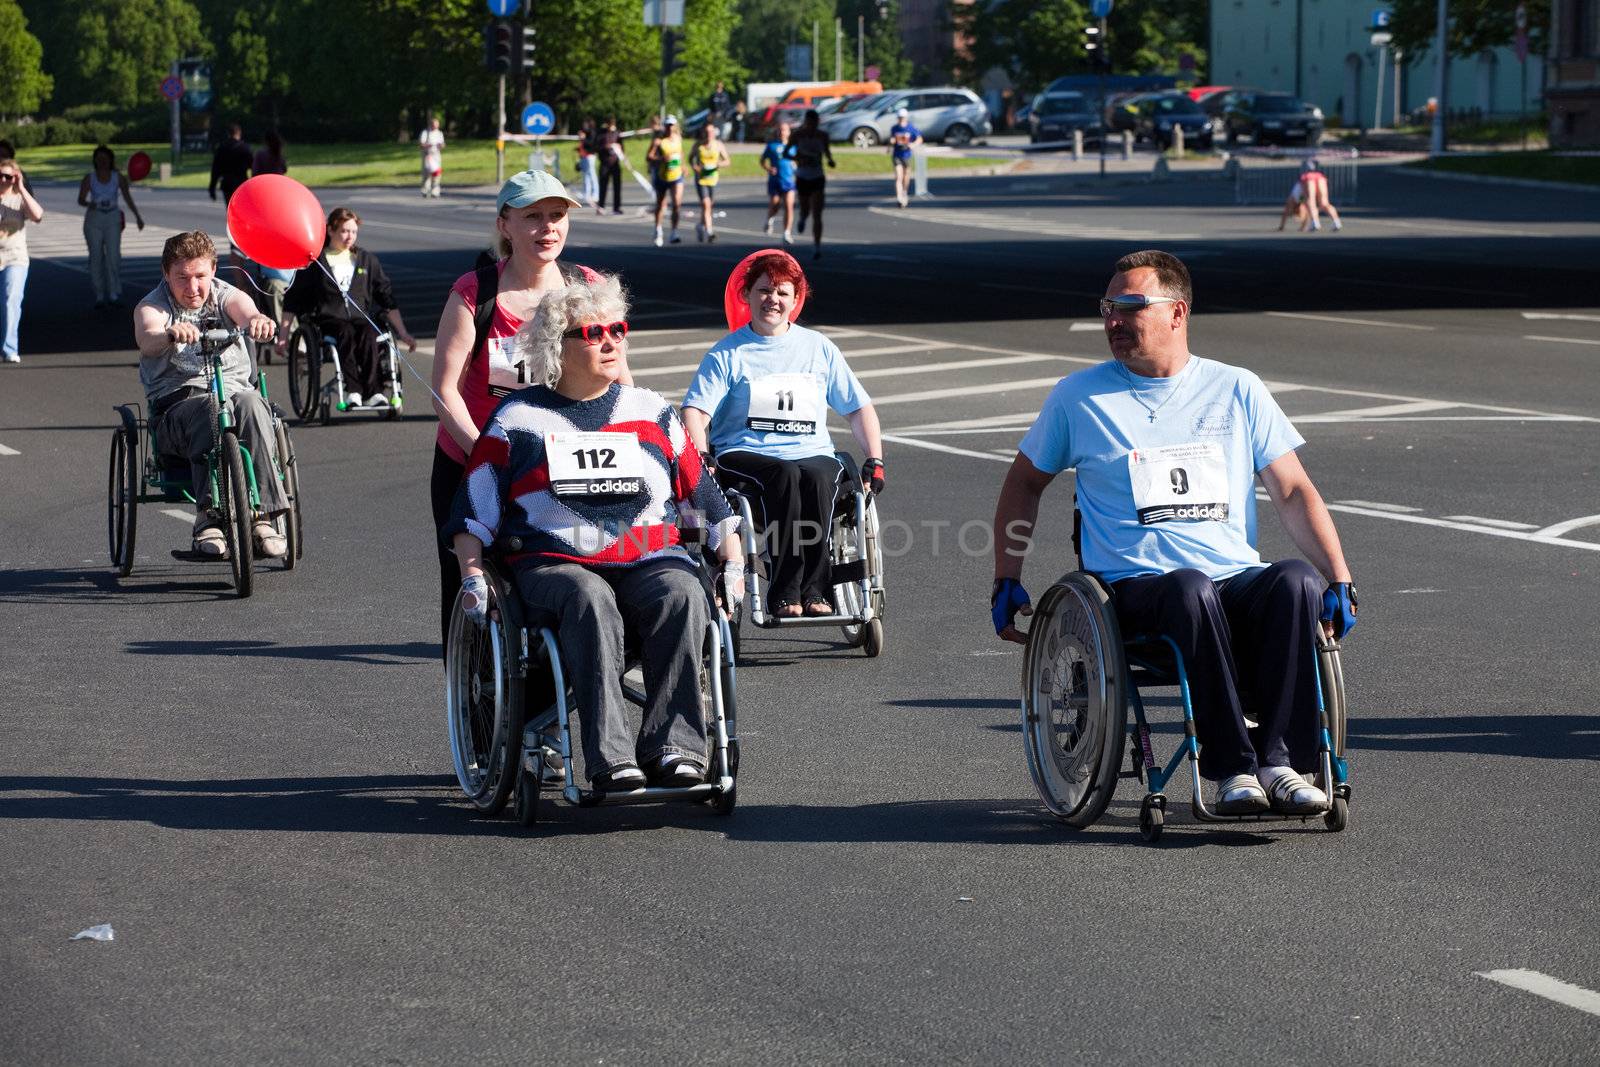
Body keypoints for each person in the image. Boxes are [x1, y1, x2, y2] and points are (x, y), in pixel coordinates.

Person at [990, 249, 1358, 816]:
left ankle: (1279, 763)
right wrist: (1006, 577)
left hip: (1231, 579)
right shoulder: (1078, 397)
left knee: (1295, 582)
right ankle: (1233, 769)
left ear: (1177, 312)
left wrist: (1339, 576)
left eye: (1130, 306)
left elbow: (1291, 491)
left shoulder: (1236, 389)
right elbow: (1023, 485)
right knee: (1189, 588)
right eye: (1108, 307)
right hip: (1135, 590)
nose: (1113, 320)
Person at [446, 272, 742, 791]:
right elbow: (473, 511)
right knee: (589, 596)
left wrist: (734, 562)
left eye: (617, 330)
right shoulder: (518, 417)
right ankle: (610, 758)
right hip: (553, 566)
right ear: (555, 345)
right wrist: (473, 576)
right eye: (592, 333)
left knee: (683, 593)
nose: (610, 341)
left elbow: (709, 503)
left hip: (649, 560)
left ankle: (675, 748)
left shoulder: (652, 410)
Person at [429, 170, 631, 644]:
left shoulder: (587, 285)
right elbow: (444, 391)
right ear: (505, 225)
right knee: (472, 587)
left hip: (563, 463)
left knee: (576, 570)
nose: (548, 228)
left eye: (557, 216)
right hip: (473, 461)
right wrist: (486, 457)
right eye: (533, 217)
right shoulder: (475, 292)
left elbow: (618, 375)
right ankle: (477, 690)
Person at [682, 250, 885, 618]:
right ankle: (785, 590)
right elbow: (695, 410)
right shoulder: (727, 353)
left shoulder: (818, 348)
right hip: (745, 454)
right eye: (763, 291)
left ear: (795, 299)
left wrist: (875, 459)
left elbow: (858, 407)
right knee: (786, 475)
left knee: (820, 475)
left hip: (811, 451)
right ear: (746, 295)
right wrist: (702, 455)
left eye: (782, 293)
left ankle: (816, 590)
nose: (772, 300)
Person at [131, 231, 288, 558]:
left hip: (235, 399)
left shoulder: (225, 295)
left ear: (213, 270)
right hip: (179, 411)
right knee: (208, 408)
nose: (192, 288)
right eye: (182, 278)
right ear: (166, 275)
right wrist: (169, 334)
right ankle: (207, 519)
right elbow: (147, 337)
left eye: (200, 276)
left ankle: (263, 517)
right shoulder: (154, 305)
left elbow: (245, 310)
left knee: (254, 404)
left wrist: (257, 319)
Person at [281, 207, 416, 408]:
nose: (349, 236)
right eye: (344, 231)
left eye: (353, 232)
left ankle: (375, 391)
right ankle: (354, 390)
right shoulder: (316, 263)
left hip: (359, 317)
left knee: (369, 333)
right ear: (331, 230)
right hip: (328, 318)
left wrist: (403, 333)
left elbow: (387, 298)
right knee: (345, 333)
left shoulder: (366, 260)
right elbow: (293, 299)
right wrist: (283, 337)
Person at [77, 145, 146, 311]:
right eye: (99, 159)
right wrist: (90, 203)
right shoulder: (90, 178)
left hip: (112, 217)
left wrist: (137, 217)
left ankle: (114, 294)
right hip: (94, 218)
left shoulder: (118, 177)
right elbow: (80, 199)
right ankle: (100, 295)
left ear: (110, 160)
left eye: (105, 158)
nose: (102, 162)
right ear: (95, 160)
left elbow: (128, 198)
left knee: (113, 256)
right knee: (96, 256)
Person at [0, 156, 44, 365]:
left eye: (8, 176)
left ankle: (9, 348)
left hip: (15, 257)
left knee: (11, 300)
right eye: (0, 175)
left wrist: (21, 187)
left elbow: (37, 215)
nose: (3, 179)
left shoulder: (19, 199)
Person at [791, 110, 836, 261]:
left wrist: (830, 161)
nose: (812, 125)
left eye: (815, 122)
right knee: (805, 209)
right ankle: (802, 218)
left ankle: (817, 246)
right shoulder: (797, 135)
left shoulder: (823, 136)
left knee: (817, 212)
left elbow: (827, 153)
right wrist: (798, 158)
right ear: (806, 121)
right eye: (810, 122)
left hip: (817, 176)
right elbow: (785, 153)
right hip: (803, 176)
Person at [647, 115, 686, 247]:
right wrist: (662, 159)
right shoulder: (658, 141)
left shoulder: (678, 138)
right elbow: (649, 157)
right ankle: (658, 230)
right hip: (662, 176)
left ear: (675, 126)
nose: (670, 128)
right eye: (668, 125)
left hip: (676, 175)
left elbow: (680, 154)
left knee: (677, 204)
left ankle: (674, 232)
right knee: (661, 205)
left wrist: (683, 166)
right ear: (665, 126)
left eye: (672, 125)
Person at [690, 123, 730, 244]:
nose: (709, 134)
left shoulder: (718, 145)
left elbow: (727, 161)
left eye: (711, 132)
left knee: (708, 207)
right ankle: (709, 232)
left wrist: (719, 164)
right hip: (701, 179)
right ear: (703, 133)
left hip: (713, 179)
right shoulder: (698, 145)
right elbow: (690, 158)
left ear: (714, 133)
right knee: (706, 204)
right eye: (707, 132)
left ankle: (700, 226)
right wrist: (695, 167)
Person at [760, 122, 797, 245]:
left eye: (784, 130)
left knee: (789, 206)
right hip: (775, 181)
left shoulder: (793, 147)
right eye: (780, 130)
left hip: (788, 181)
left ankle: (787, 232)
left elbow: (798, 161)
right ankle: (769, 219)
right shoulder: (771, 146)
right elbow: (762, 160)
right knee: (775, 204)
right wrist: (768, 168)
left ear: (789, 132)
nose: (782, 132)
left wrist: (796, 165)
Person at [209, 124, 253, 204]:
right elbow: (252, 166)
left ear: (228, 134)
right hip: (241, 182)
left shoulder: (222, 148)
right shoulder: (244, 148)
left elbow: (215, 169)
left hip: (227, 183)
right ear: (239, 133)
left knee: (230, 207)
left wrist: (212, 187)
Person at [888, 107, 922, 208]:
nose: (901, 119)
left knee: (906, 176)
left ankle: (904, 192)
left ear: (906, 118)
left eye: (902, 118)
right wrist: (890, 143)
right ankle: (899, 197)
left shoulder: (911, 128)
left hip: (906, 155)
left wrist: (913, 144)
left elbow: (919, 139)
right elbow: (892, 139)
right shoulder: (894, 128)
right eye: (899, 118)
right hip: (897, 154)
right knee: (898, 176)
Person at [596, 116, 623, 215]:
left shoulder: (617, 134)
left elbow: (622, 147)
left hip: (615, 163)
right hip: (605, 163)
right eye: (609, 124)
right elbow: (597, 147)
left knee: (617, 186)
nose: (611, 127)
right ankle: (601, 206)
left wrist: (619, 148)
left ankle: (617, 207)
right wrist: (606, 147)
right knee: (603, 185)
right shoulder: (601, 134)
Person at [577, 118, 600, 210]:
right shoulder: (586, 133)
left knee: (592, 174)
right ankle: (587, 194)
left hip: (590, 156)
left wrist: (583, 138)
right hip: (584, 156)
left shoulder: (592, 133)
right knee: (585, 175)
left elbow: (591, 144)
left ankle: (595, 194)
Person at [419, 116, 445, 199]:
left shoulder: (439, 133)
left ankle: (435, 191)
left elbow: (442, 144)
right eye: (434, 125)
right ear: (431, 125)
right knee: (426, 174)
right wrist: (428, 145)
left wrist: (441, 145)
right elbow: (421, 144)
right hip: (427, 154)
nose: (435, 126)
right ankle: (425, 190)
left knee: (436, 173)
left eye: (437, 125)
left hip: (436, 155)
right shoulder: (425, 133)